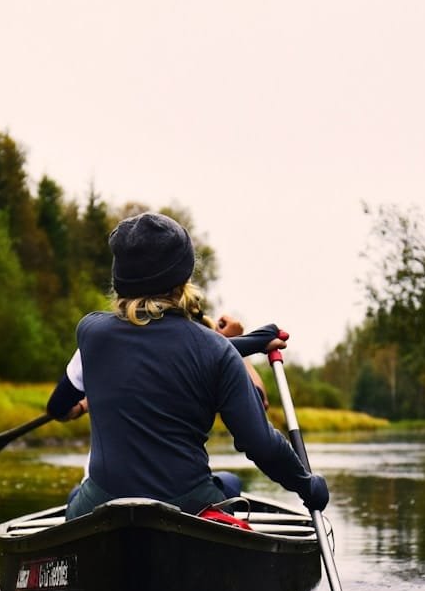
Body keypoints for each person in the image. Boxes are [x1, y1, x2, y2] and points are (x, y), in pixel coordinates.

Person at [45, 211, 328, 520]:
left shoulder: (91, 333)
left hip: (101, 502)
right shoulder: (215, 352)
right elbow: (261, 446)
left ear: (119, 279)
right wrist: (307, 485)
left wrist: (254, 341)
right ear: (183, 279)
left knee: (77, 497)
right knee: (231, 484)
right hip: (188, 505)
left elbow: (171, 350)